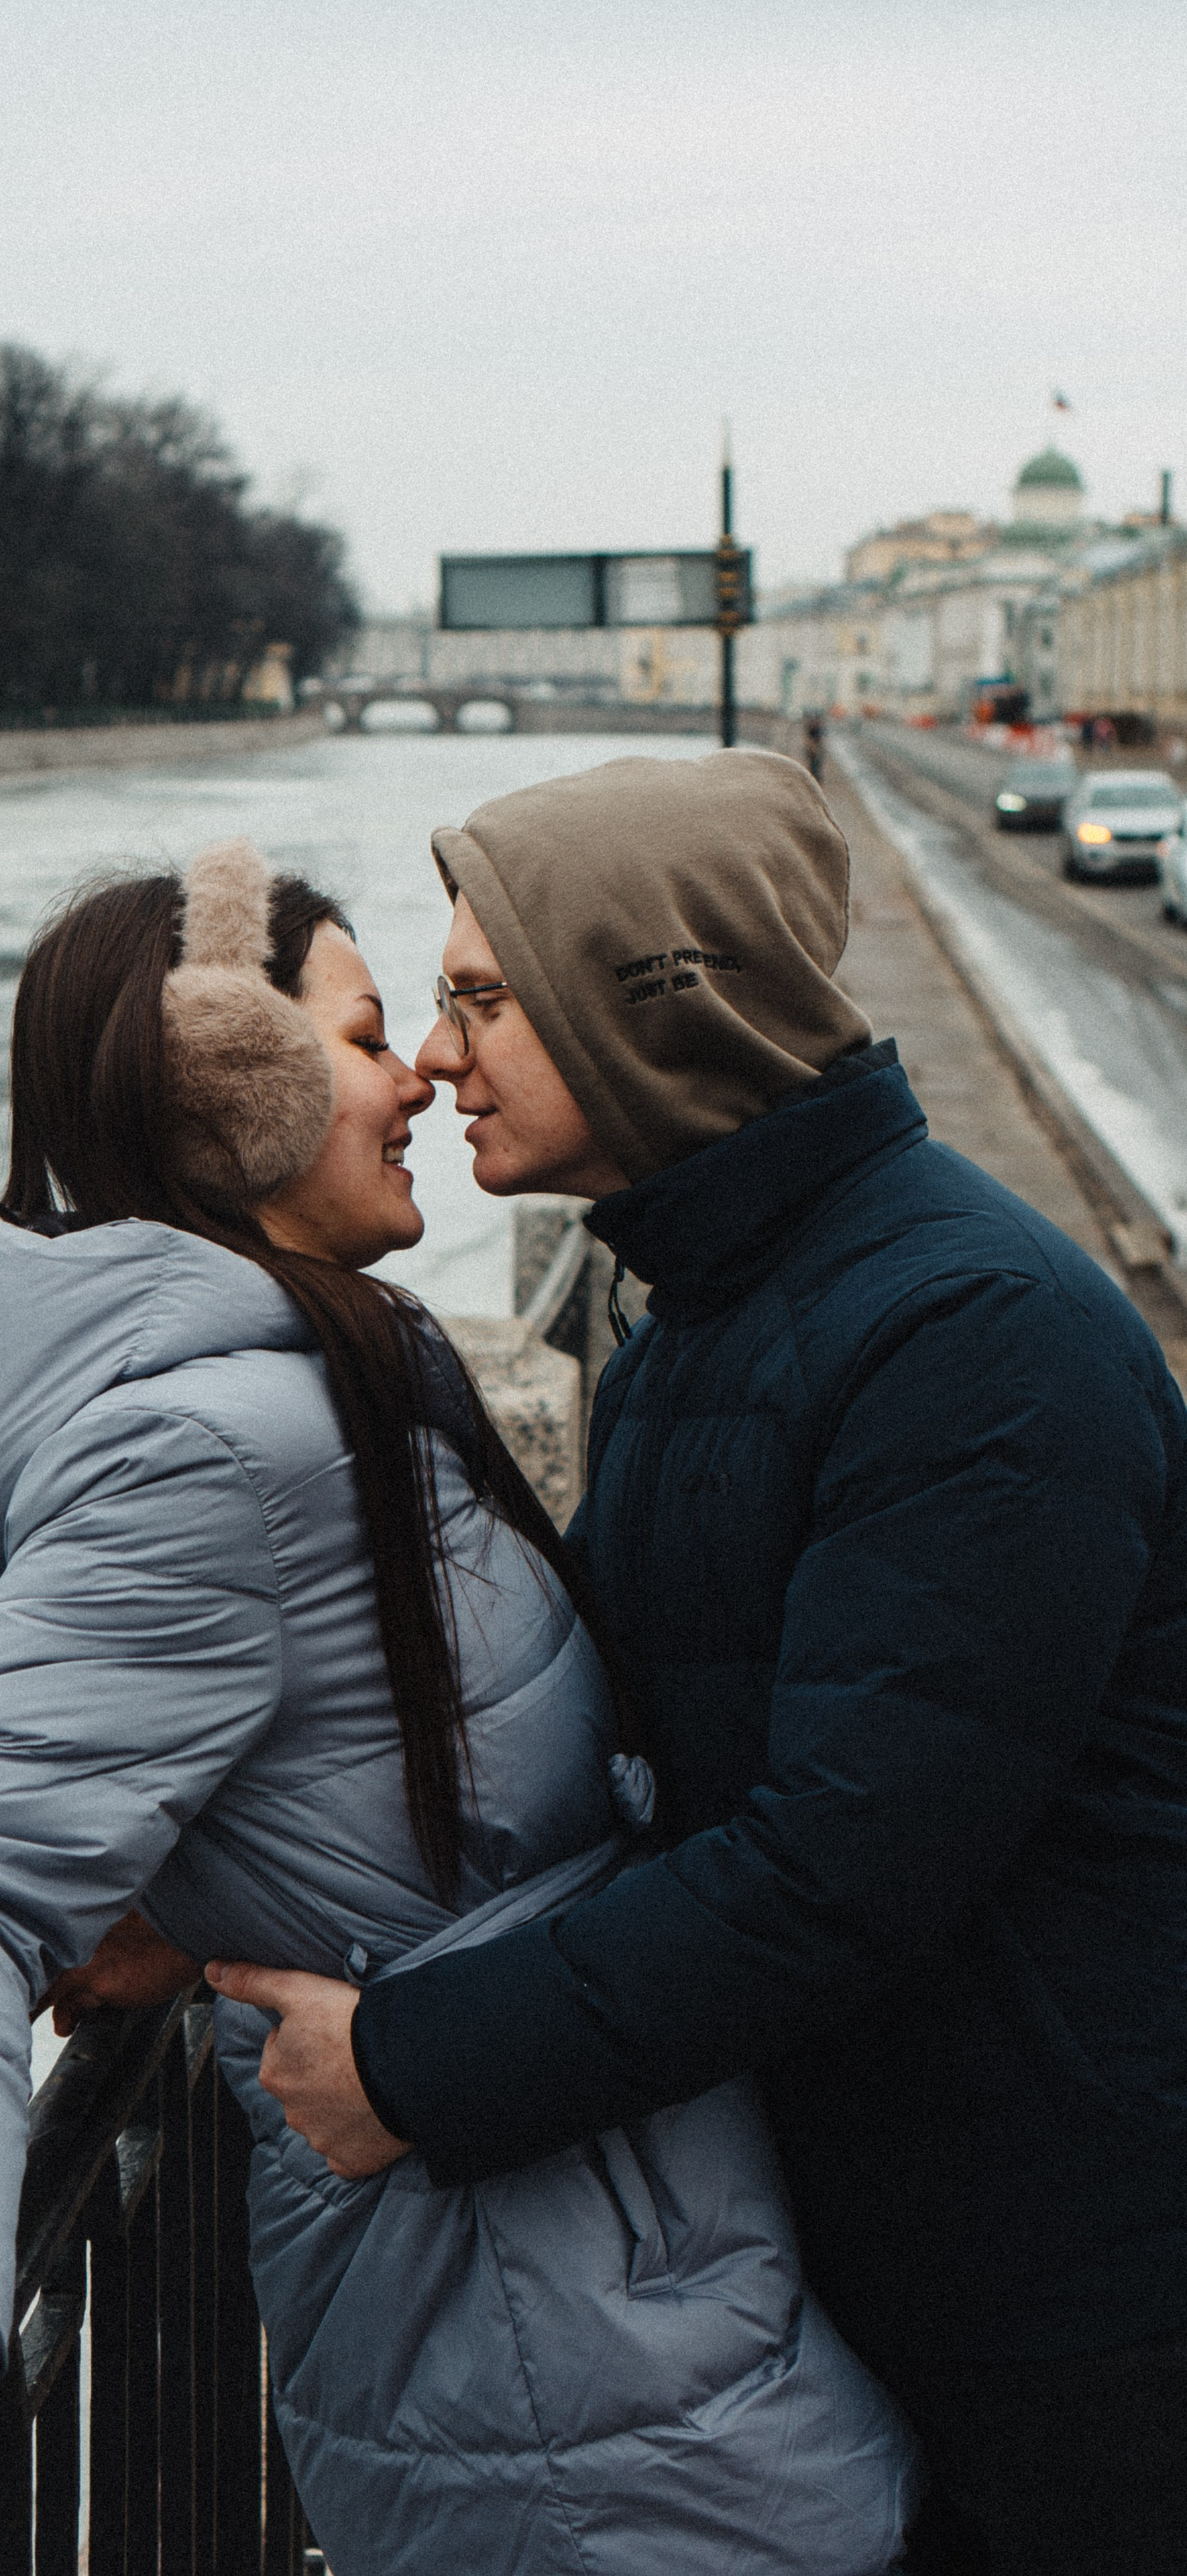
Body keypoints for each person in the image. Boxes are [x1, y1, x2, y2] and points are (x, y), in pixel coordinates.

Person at [0, 839, 917, 2573]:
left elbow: (305, 1769)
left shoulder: (315, 1384)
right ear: (240, 1095)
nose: (421, 1070)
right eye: (370, 1037)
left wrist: (194, 1897)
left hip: (604, 2312)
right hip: (551, 2376)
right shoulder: (221, 1453)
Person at [209, 751, 1187, 2576]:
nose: (432, 1056)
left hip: (1076, 2295)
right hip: (892, 2217)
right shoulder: (723, 1308)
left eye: (485, 999)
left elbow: (841, 1866)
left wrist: (418, 2066)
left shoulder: (972, 1337)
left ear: (656, 1009)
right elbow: (619, 1766)